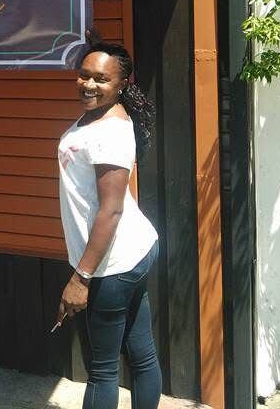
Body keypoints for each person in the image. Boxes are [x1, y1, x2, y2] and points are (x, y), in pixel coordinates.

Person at [56, 29, 161, 409]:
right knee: (142, 355)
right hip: (132, 250)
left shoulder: (110, 131)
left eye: (101, 78)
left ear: (121, 84)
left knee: (101, 372)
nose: (89, 84)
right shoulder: (98, 118)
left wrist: (81, 277)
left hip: (110, 265)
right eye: (85, 74)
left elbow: (111, 209)